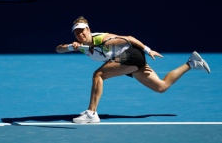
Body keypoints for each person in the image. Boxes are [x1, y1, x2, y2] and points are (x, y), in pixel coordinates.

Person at [56, 16, 210, 123]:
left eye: (83, 30)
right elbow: (58, 49)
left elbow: (129, 38)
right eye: (77, 33)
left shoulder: (102, 39)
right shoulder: (82, 47)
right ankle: (192, 63)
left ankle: (92, 113)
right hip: (125, 62)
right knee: (161, 87)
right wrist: (71, 47)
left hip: (130, 55)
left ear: (88, 29)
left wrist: (148, 50)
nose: (81, 34)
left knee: (98, 75)